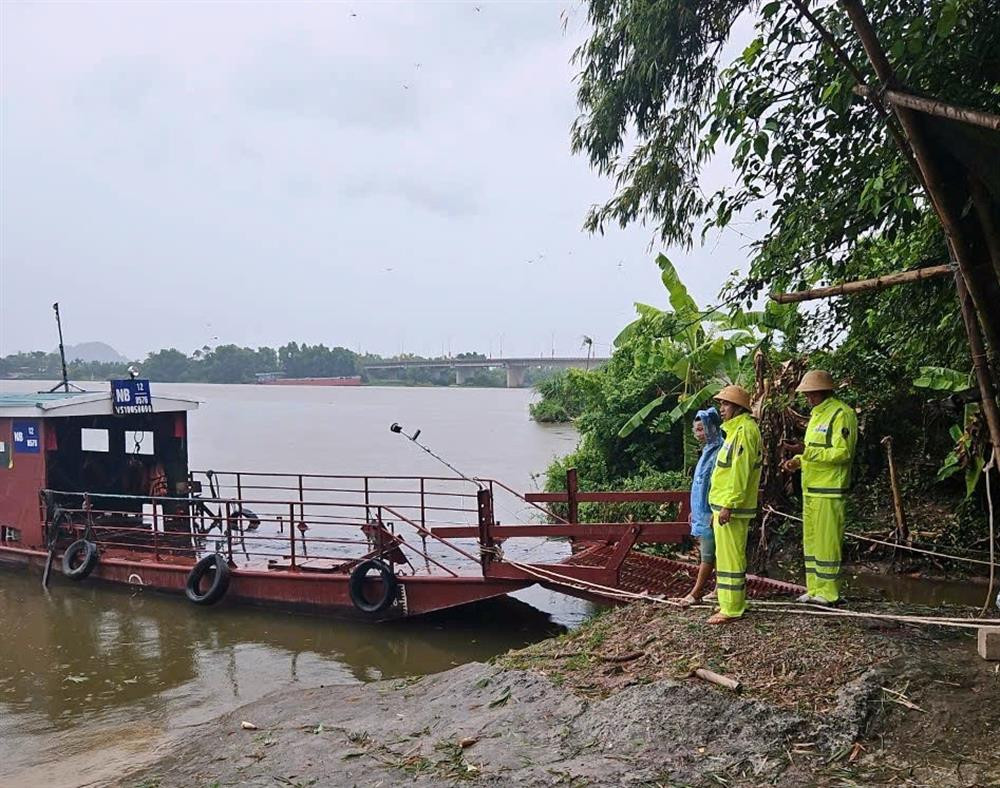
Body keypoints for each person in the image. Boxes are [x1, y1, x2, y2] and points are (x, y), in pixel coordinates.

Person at [782, 370, 858, 605]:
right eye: (806, 394)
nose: (808, 398)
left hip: (830, 490)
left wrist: (806, 452)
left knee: (827, 543)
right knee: (813, 542)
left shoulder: (841, 414)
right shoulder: (816, 415)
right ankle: (814, 588)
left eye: (811, 393)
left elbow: (843, 453)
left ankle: (829, 592)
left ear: (824, 391)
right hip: (811, 489)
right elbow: (814, 451)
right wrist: (797, 462)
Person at [707, 385, 762, 624]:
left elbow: (740, 473)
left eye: (726, 404)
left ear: (738, 407)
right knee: (725, 556)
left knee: (731, 557)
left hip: (733, 507)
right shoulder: (734, 431)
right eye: (721, 404)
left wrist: (729, 504)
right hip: (723, 504)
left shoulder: (745, 431)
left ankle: (732, 608)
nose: (722, 408)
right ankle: (728, 602)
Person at [674, 408, 723, 607]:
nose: (698, 434)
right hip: (701, 511)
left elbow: (718, 484)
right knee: (714, 552)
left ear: (712, 428)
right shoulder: (707, 451)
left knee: (708, 554)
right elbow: (699, 484)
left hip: (712, 511)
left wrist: (714, 509)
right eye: (696, 430)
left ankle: (696, 593)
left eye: (702, 429)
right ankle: (718, 588)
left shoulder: (720, 450)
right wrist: (694, 511)